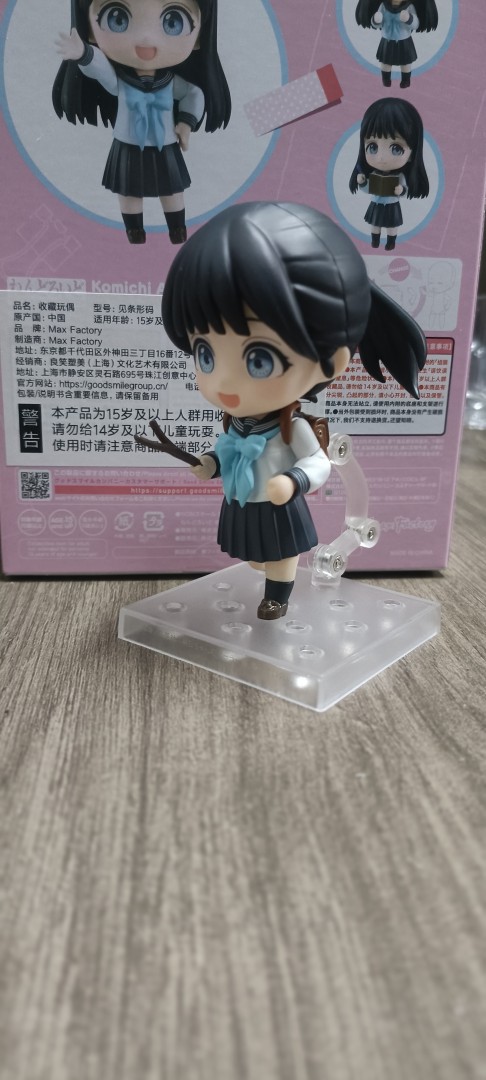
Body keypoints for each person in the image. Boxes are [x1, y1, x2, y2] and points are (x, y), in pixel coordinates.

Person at [160, 201, 427, 619]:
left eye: (259, 359)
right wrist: (209, 464)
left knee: (281, 553)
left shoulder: (293, 427)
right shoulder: (238, 422)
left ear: (330, 363)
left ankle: (277, 597)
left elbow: (318, 463)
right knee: (253, 556)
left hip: (279, 502)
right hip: (244, 499)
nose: (224, 382)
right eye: (205, 354)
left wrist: (293, 481)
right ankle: (267, 576)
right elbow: (228, 452)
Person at [53, 0, 231, 244]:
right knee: (128, 190)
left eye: (173, 22)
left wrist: (186, 123)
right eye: (117, 18)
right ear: (91, 29)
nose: (146, 39)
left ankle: (177, 227)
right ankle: (134, 230)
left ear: (200, 34)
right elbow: (102, 71)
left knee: (172, 189)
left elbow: (194, 93)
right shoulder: (121, 82)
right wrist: (84, 54)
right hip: (128, 142)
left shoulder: (171, 82)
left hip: (165, 142)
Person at [349, 97, 429, 250]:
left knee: (392, 225)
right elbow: (368, 189)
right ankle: (375, 240)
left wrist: (401, 190)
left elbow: (404, 189)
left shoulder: (400, 177)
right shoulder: (373, 173)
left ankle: (391, 242)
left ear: (412, 153)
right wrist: (362, 182)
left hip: (392, 205)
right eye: (373, 147)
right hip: (376, 203)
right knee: (375, 224)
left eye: (396, 148)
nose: (381, 158)